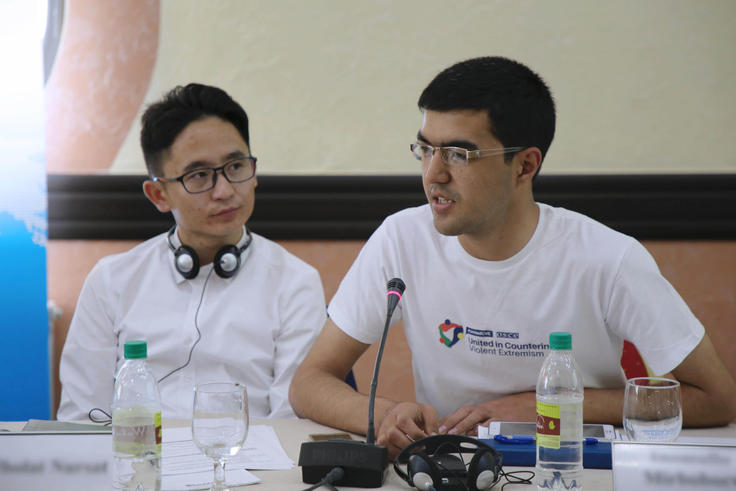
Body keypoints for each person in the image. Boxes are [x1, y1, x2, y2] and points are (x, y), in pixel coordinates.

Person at [289, 56, 736, 458]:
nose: (433, 174)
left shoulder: (609, 258)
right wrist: (387, 415)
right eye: (425, 149)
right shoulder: (401, 239)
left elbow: (716, 398)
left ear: (525, 166)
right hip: (455, 468)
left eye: (458, 154)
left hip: (574, 465)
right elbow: (310, 382)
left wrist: (541, 405)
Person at [58, 83, 326, 421]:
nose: (225, 191)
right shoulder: (111, 281)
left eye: (236, 167)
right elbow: (83, 418)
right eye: (199, 175)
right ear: (158, 195)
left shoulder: (295, 283)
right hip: (137, 452)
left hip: (250, 454)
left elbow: (292, 421)